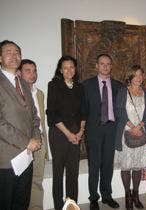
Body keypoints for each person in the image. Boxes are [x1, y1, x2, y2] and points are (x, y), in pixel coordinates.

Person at [0, 40, 41, 210]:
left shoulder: (24, 84)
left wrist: (36, 138)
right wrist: (26, 141)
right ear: (0, 57)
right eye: (8, 52)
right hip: (6, 158)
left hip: (26, 156)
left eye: (17, 52)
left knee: (22, 201)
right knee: (5, 202)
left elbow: (34, 117)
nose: (14, 55)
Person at [46, 55, 86, 210]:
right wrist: (69, 134)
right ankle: (58, 207)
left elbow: (84, 111)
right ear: (60, 70)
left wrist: (80, 131)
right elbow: (52, 113)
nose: (69, 70)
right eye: (65, 67)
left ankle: (71, 206)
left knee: (72, 174)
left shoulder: (79, 87)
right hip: (59, 134)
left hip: (76, 134)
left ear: (75, 69)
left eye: (72, 67)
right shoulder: (54, 85)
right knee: (58, 174)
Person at [83, 54, 122, 210]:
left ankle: (107, 196)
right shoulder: (86, 85)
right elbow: (83, 109)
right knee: (94, 165)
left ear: (111, 66)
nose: (105, 66)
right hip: (93, 130)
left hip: (111, 129)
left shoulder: (119, 86)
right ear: (97, 66)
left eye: (108, 64)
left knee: (107, 165)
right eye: (102, 63)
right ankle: (93, 198)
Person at [114, 65, 146, 210]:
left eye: (141, 75)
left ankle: (136, 195)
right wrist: (133, 127)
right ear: (130, 76)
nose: (139, 78)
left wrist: (140, 126)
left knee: (137, 167)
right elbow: (120, 112)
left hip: (141, 132)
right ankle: (127, 196)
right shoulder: (123, 91)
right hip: (126, 133)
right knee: (126, 166)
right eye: (136, 75)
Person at [17, 59, 49, 210]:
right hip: (22, 144)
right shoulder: (14, 93)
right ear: (19, 73)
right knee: (21, 182)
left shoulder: (40, 93)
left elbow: (41, 121)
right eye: (27, 71)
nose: (32, 74)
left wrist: (44, 144)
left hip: (40, 141)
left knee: (37, 179)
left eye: (34, 70)